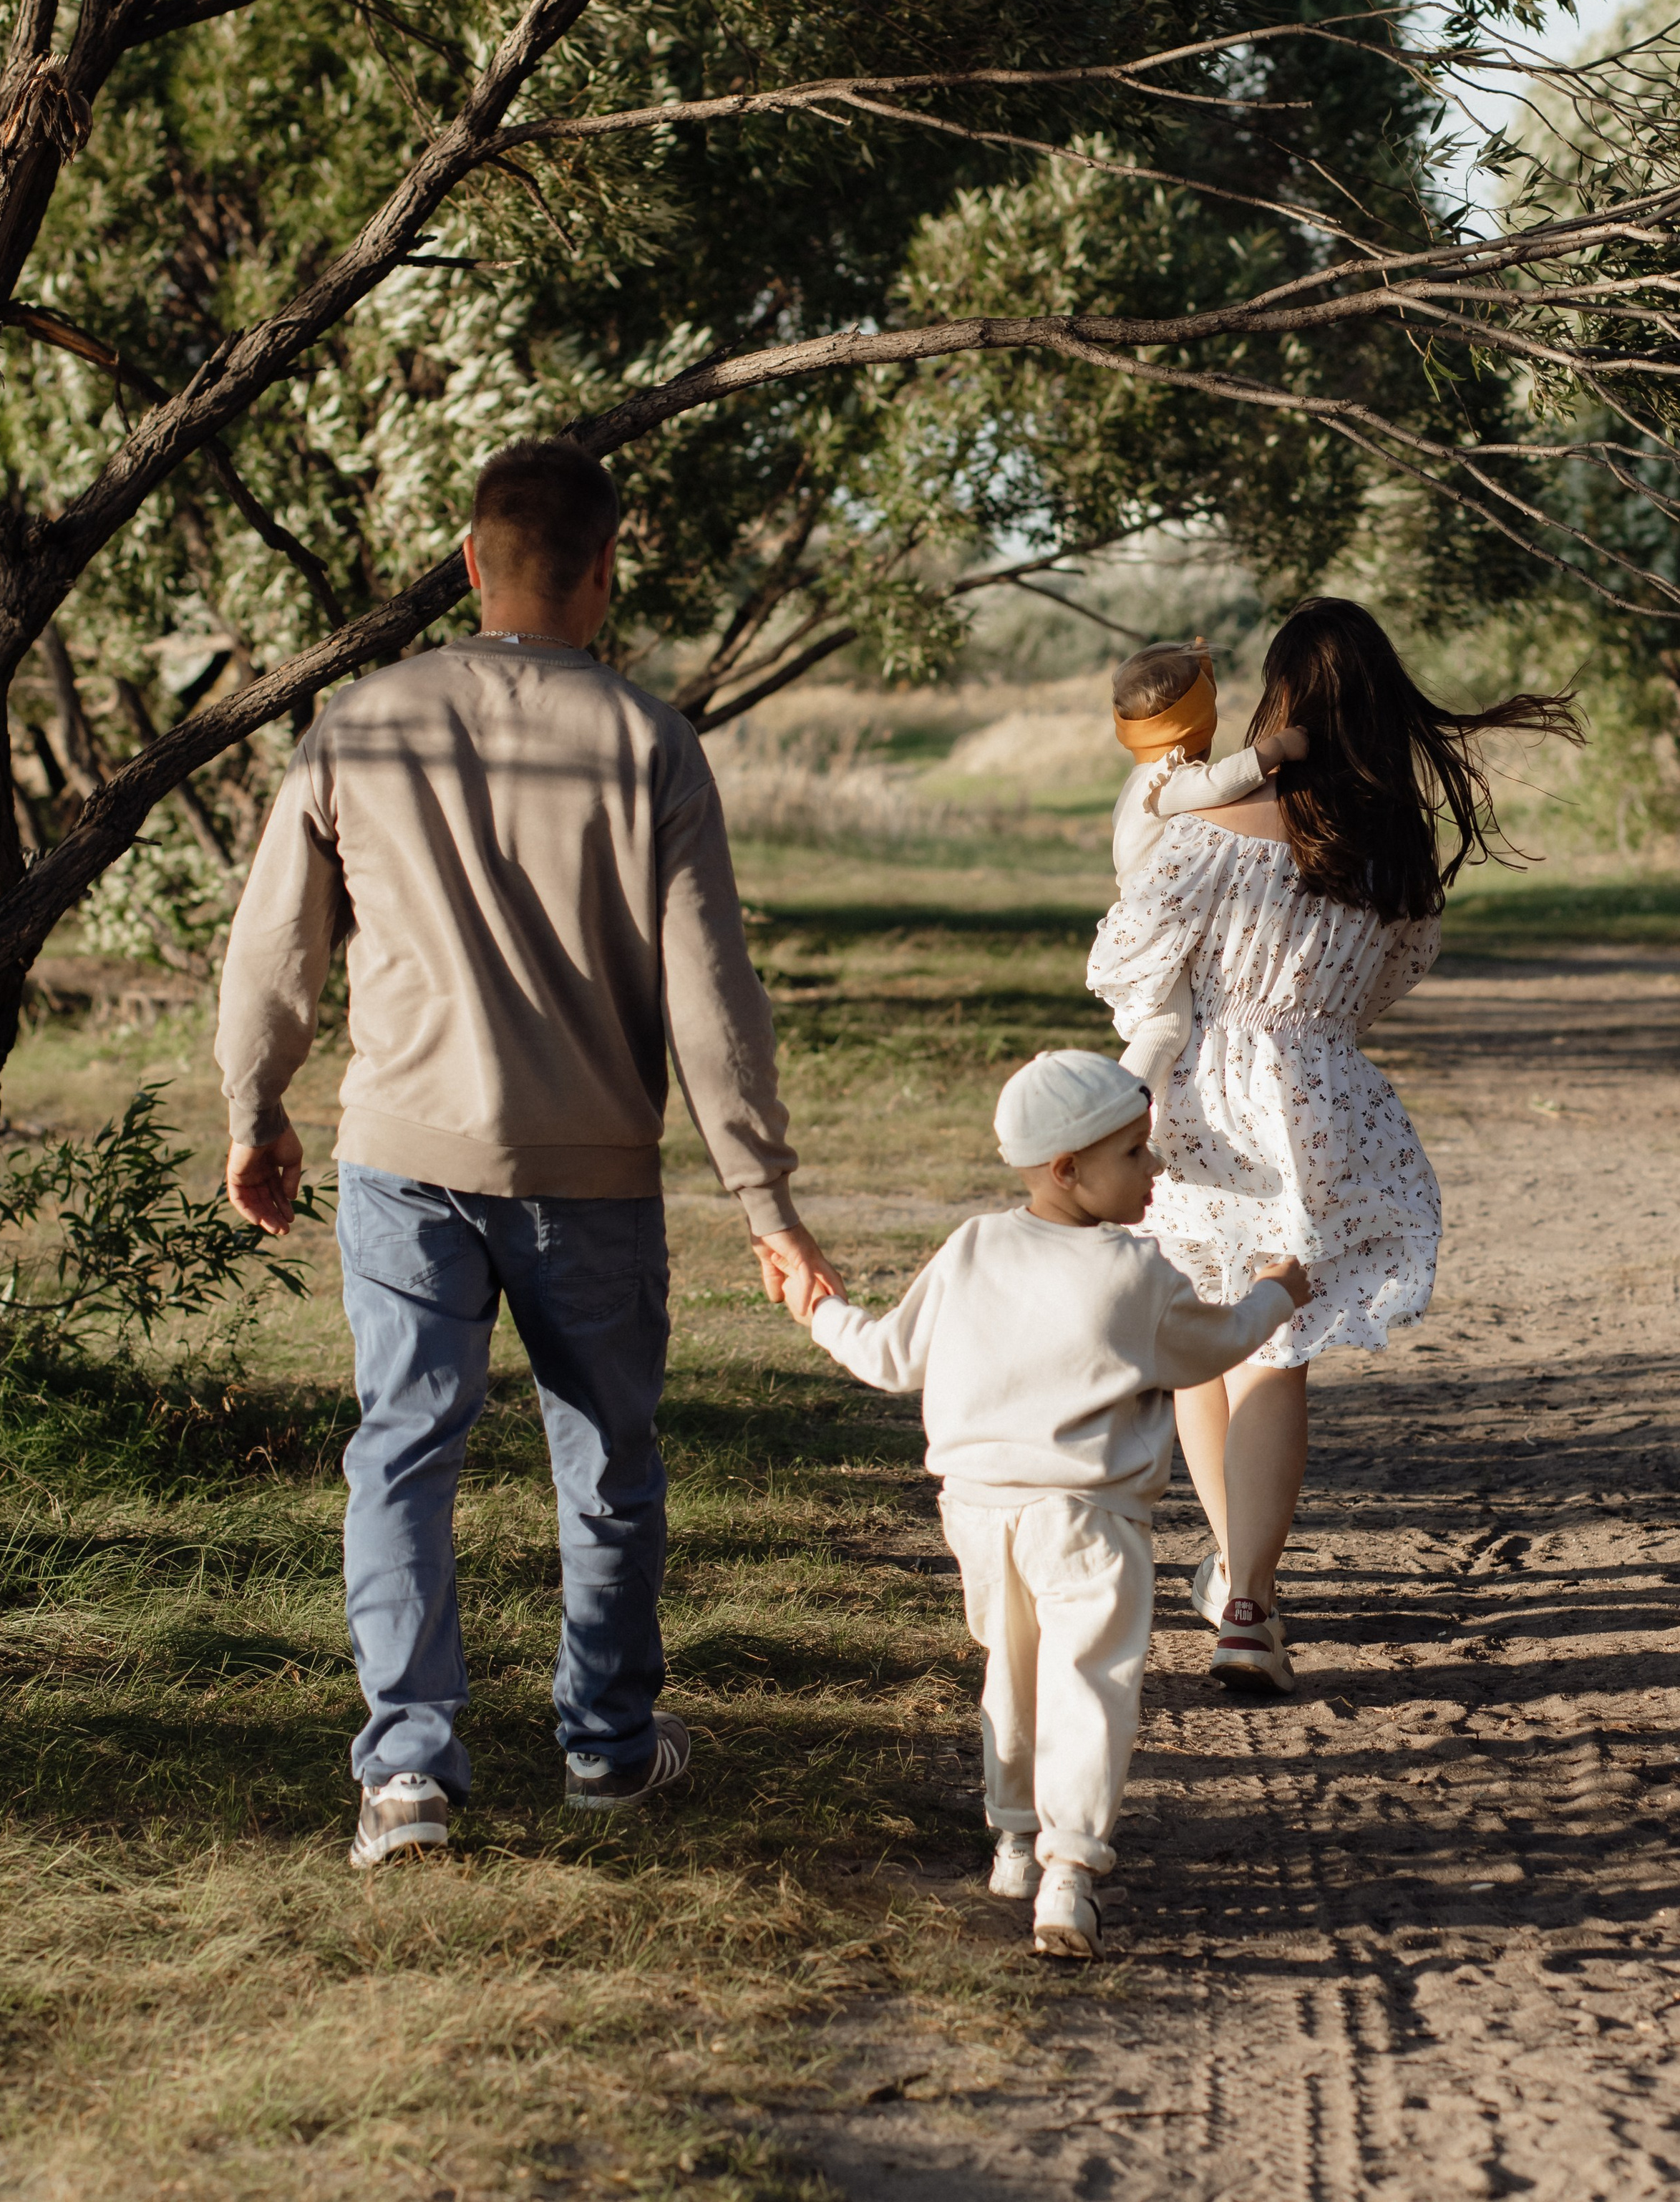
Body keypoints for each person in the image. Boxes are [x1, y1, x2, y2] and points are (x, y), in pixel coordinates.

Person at [216, 436, 840, 1866]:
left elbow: (275, 948)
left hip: (399, 1160)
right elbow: (709, 991)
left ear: (465, 556)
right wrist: (764, 1193)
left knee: (402, 1457)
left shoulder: (359, 723)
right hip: (590, 1172)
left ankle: (408, 1783)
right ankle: (609, 1754)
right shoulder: (646, 741)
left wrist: (257, 1108)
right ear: (605, 572)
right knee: (607, 1463)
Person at [1087, 597, 1579, 1695]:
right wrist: (1314, 1035)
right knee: (1279, 1342)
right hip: (1321, 1101)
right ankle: (1248, 1598)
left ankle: (1236, 1578)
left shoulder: (1207, 831)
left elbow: (1127, 953)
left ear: (1277, 697)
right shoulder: (1390, 843)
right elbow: (1400, 975)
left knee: (1207, 1342)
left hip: (1207, 1104)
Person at [795, 1047, 1308, 1959]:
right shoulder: (1136, 1276)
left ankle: (1011, 1845)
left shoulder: (970, 1249)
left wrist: (818, 1310)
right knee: (1089, 1686)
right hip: (1087, 1521)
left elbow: (886, 1358)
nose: (1155, 1172)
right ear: (1068, 1168)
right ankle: (1070, 1870)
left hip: (978, 1515)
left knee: (1013, 1674)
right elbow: (1217, 1347)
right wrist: (1275, 1294)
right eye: (1134, 1156)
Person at [1107, 641, 1308, 1097]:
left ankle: (1137, 1125)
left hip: (1152, 921)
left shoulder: (1145, 780)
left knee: (1169, 1029)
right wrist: (1277, 748)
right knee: (1166, 1029)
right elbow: (1220, 784)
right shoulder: (1166, 783)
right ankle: (1116, 1117)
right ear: (1200, 721)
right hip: (1152, 926)